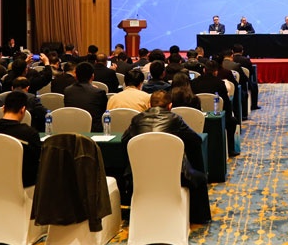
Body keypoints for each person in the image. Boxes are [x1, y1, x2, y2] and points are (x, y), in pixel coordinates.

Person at [122, 90, 211, 224]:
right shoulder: (175, 119)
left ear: (149, 105)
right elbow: (196, 140)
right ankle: (198, 218)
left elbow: (124, 140)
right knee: (201, 178)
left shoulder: (137, 120)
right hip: (174, 176)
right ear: (170, 106)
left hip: (139, 176)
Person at [0, 90, 42, 187]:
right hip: (22, 183)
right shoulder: (30, 134)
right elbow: (36, 162)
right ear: (23, 110)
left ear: (3, 108)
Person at [63, 62, 109, 132]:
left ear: (76, 76)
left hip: (72, 129)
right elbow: (104, 112)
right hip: (93, 131)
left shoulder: (67, 91)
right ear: (92, 76)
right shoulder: (99, 92)